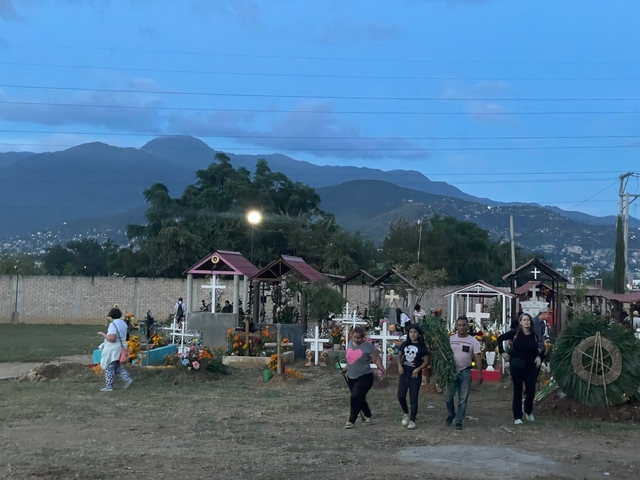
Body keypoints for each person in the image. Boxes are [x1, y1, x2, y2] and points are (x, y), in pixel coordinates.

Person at [498, 313, 543, 425]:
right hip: (516, 365)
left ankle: (527, 410)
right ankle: (517, 416)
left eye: (528, 320)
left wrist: (539, 357)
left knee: (531, 390)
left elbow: (539, 348)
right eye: (524, 320)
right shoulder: (516, 333)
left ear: (530, 322)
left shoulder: (534, 335)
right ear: (521, 322)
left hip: (530, 366)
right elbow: (500, 339)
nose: (526, 322)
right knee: (517, 390)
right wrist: (502, 352)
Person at [344, 326, 386, 429]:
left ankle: (351, 420)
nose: (356, 340)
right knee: (359, 397)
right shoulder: (350, 343)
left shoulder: (368, 347)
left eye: (359, 338)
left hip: (365, 376)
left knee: (355, 397)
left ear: (363, 337)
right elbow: (350, 358)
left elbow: (376, 359)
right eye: (354, 337)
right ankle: (368, 416)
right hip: (351, 376)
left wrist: (382, 370)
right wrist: (345, 368)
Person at [446, 316, 483, 430]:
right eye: (459, 325)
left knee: (463, 398)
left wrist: (480, 373)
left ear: (467, 326)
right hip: (452, 372)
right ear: (456, 327)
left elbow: (477, 356)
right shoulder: (451, 339)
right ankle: (451, 413)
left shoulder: (473, 341)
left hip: (465, 371)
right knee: (448, 396)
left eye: (464, 325)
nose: (461, 327)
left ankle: (459, 420)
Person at [397, 325, 429, 429]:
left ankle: (412, 420)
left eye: (415, 332)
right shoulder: (405, 344)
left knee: (413, 397)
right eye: (411, 332)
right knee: (400, 395)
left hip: (415, 374)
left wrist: (418, 369)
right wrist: (399, 366)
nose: (412, 334)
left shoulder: (422, 347)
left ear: (419, 334)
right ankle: (406, 412)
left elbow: (426, 361)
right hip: (404, 372)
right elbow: (399, 356)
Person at [97, 307, 133, 392]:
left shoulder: (113, 325)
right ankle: (127, 378)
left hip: (112, 348)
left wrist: (103, 334)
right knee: (116, 366)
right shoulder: (123, 323)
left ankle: (109, 386)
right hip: (121, 347)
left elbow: (112, 338)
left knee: (109, 366)